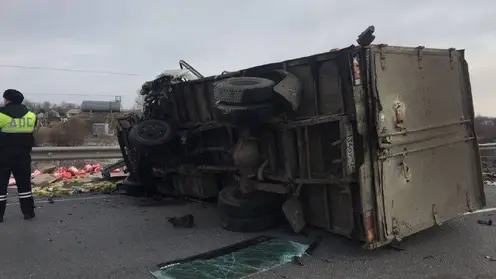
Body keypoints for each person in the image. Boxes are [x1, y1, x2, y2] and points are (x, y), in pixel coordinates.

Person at [0, 89, 37, 222]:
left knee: (1, 187)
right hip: (23, 156)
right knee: (25, 186)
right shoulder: (31, 116)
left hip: (3, 156)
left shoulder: (1, 115)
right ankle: (28, 212)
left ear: (8, 100)